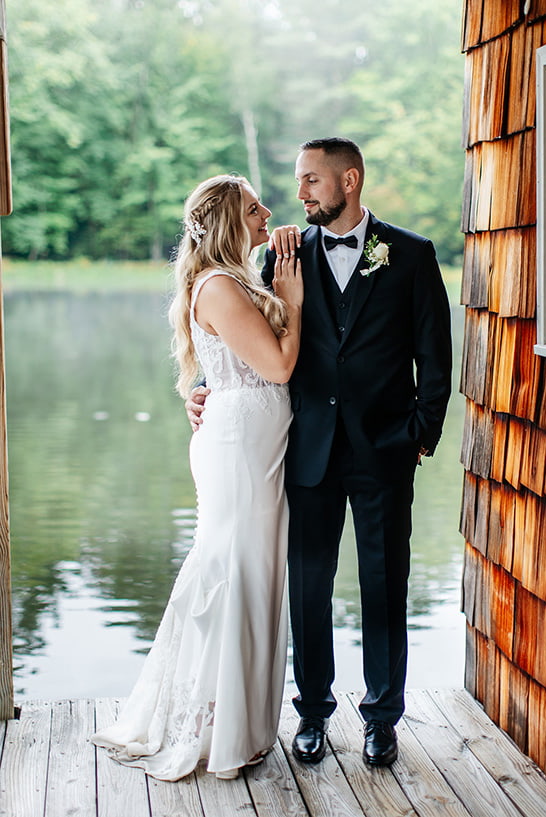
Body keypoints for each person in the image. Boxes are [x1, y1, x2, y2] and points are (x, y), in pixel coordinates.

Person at [187, 137, 453, 768]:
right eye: (299, 180)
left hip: (385, 449)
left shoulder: (411, 255)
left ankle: (383, 718)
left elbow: (436, 355)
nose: (299, 192)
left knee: (386, 585)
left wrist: (420, 431)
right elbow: (241, 339)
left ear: (349, 181)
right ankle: (311, 712)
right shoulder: (279, 256)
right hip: (301, 448)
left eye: (311, 180)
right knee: (308, 586)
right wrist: (204, 392)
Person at [91, 175, 303, 780]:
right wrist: (294, 298)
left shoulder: (235, 280)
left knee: (254, 572)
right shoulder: (217, 285)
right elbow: (279, 366)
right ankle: (217, 726)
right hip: (239, 450)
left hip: (252, 441)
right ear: (229, 221)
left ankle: (244, 722)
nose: (267, 212)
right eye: (253, 206)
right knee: (232, 573)